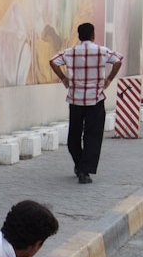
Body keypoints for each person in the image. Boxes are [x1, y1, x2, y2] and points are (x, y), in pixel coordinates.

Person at [50, 22, 123, 183]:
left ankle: (79, 164)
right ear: (93, 35)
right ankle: (84, 170)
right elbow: (118, 61)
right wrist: (109, 79)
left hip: (75, 100)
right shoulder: (102, 51)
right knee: (93, 136)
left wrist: (63, 78)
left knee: (74, 136)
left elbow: (53, 61)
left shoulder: (70, 52)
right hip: (95, 100)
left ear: (79, 36)